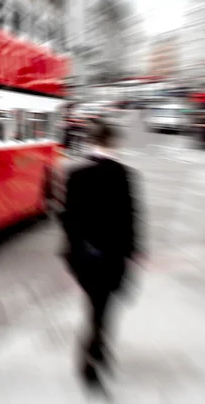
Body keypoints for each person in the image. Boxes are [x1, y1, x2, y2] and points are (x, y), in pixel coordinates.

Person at [58, 119, 144, 389]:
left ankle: (98, 350)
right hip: (112, 255)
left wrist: (73, 248)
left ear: (91, 142)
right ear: (114, 143)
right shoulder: (124, 175)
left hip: (84, 255)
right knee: (102, 309)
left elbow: (66, 216)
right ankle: (93, 356)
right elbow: (132, 217)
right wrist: (134, 250)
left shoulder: (76, 174)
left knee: (96, 306)